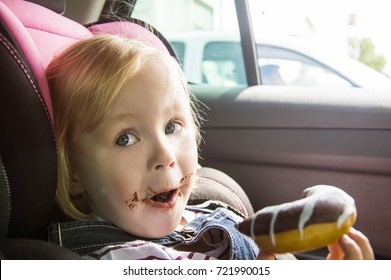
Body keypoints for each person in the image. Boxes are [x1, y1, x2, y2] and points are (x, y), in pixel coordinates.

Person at [46, 34, 374, 260]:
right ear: (74, 173)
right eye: (125, 139)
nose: (165, 156)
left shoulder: (209, 211)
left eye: (172, 126)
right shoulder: (120, 258)